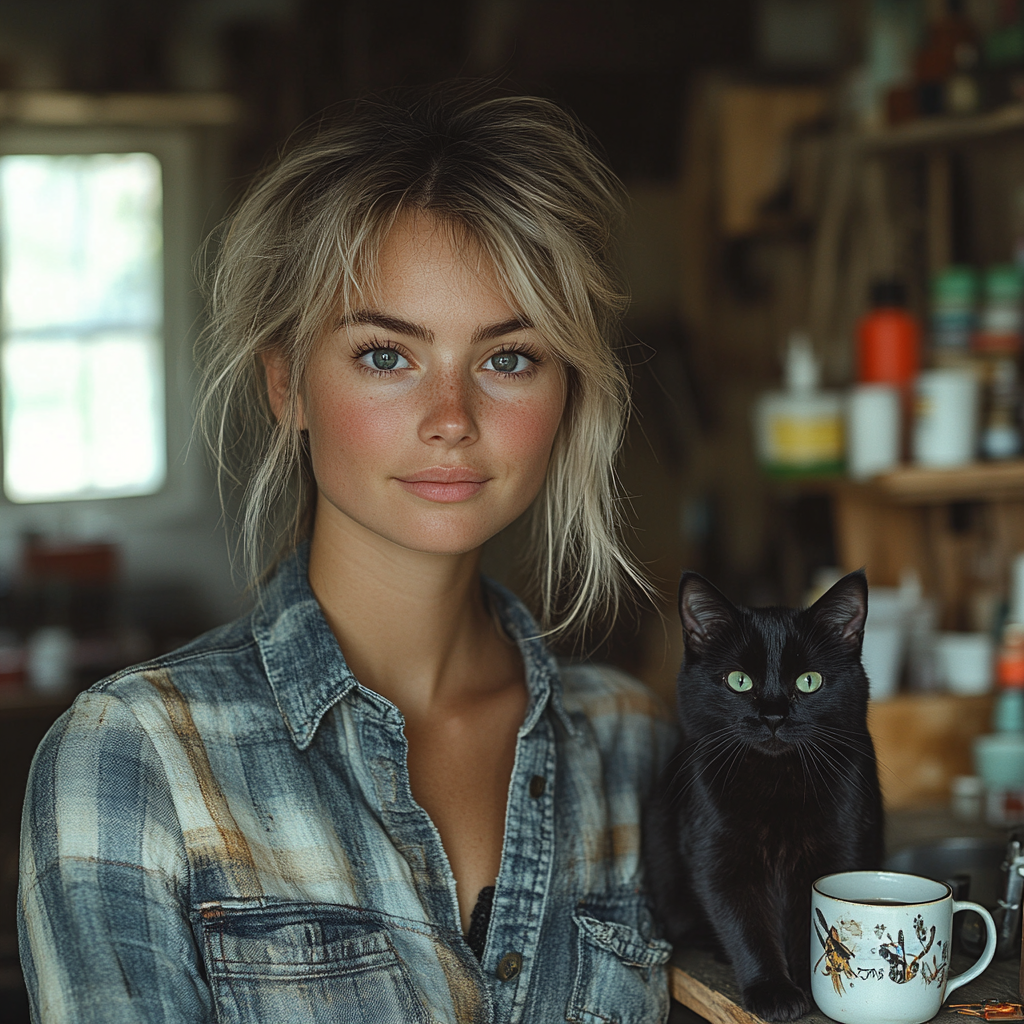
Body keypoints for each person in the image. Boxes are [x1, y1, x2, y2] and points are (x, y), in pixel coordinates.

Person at [18, 88, 677, 1023]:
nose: (451, 419)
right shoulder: (135, 758)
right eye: (385, 355)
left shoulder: (634, 746)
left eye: (509, 358)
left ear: (567, 393)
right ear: (286, 381)